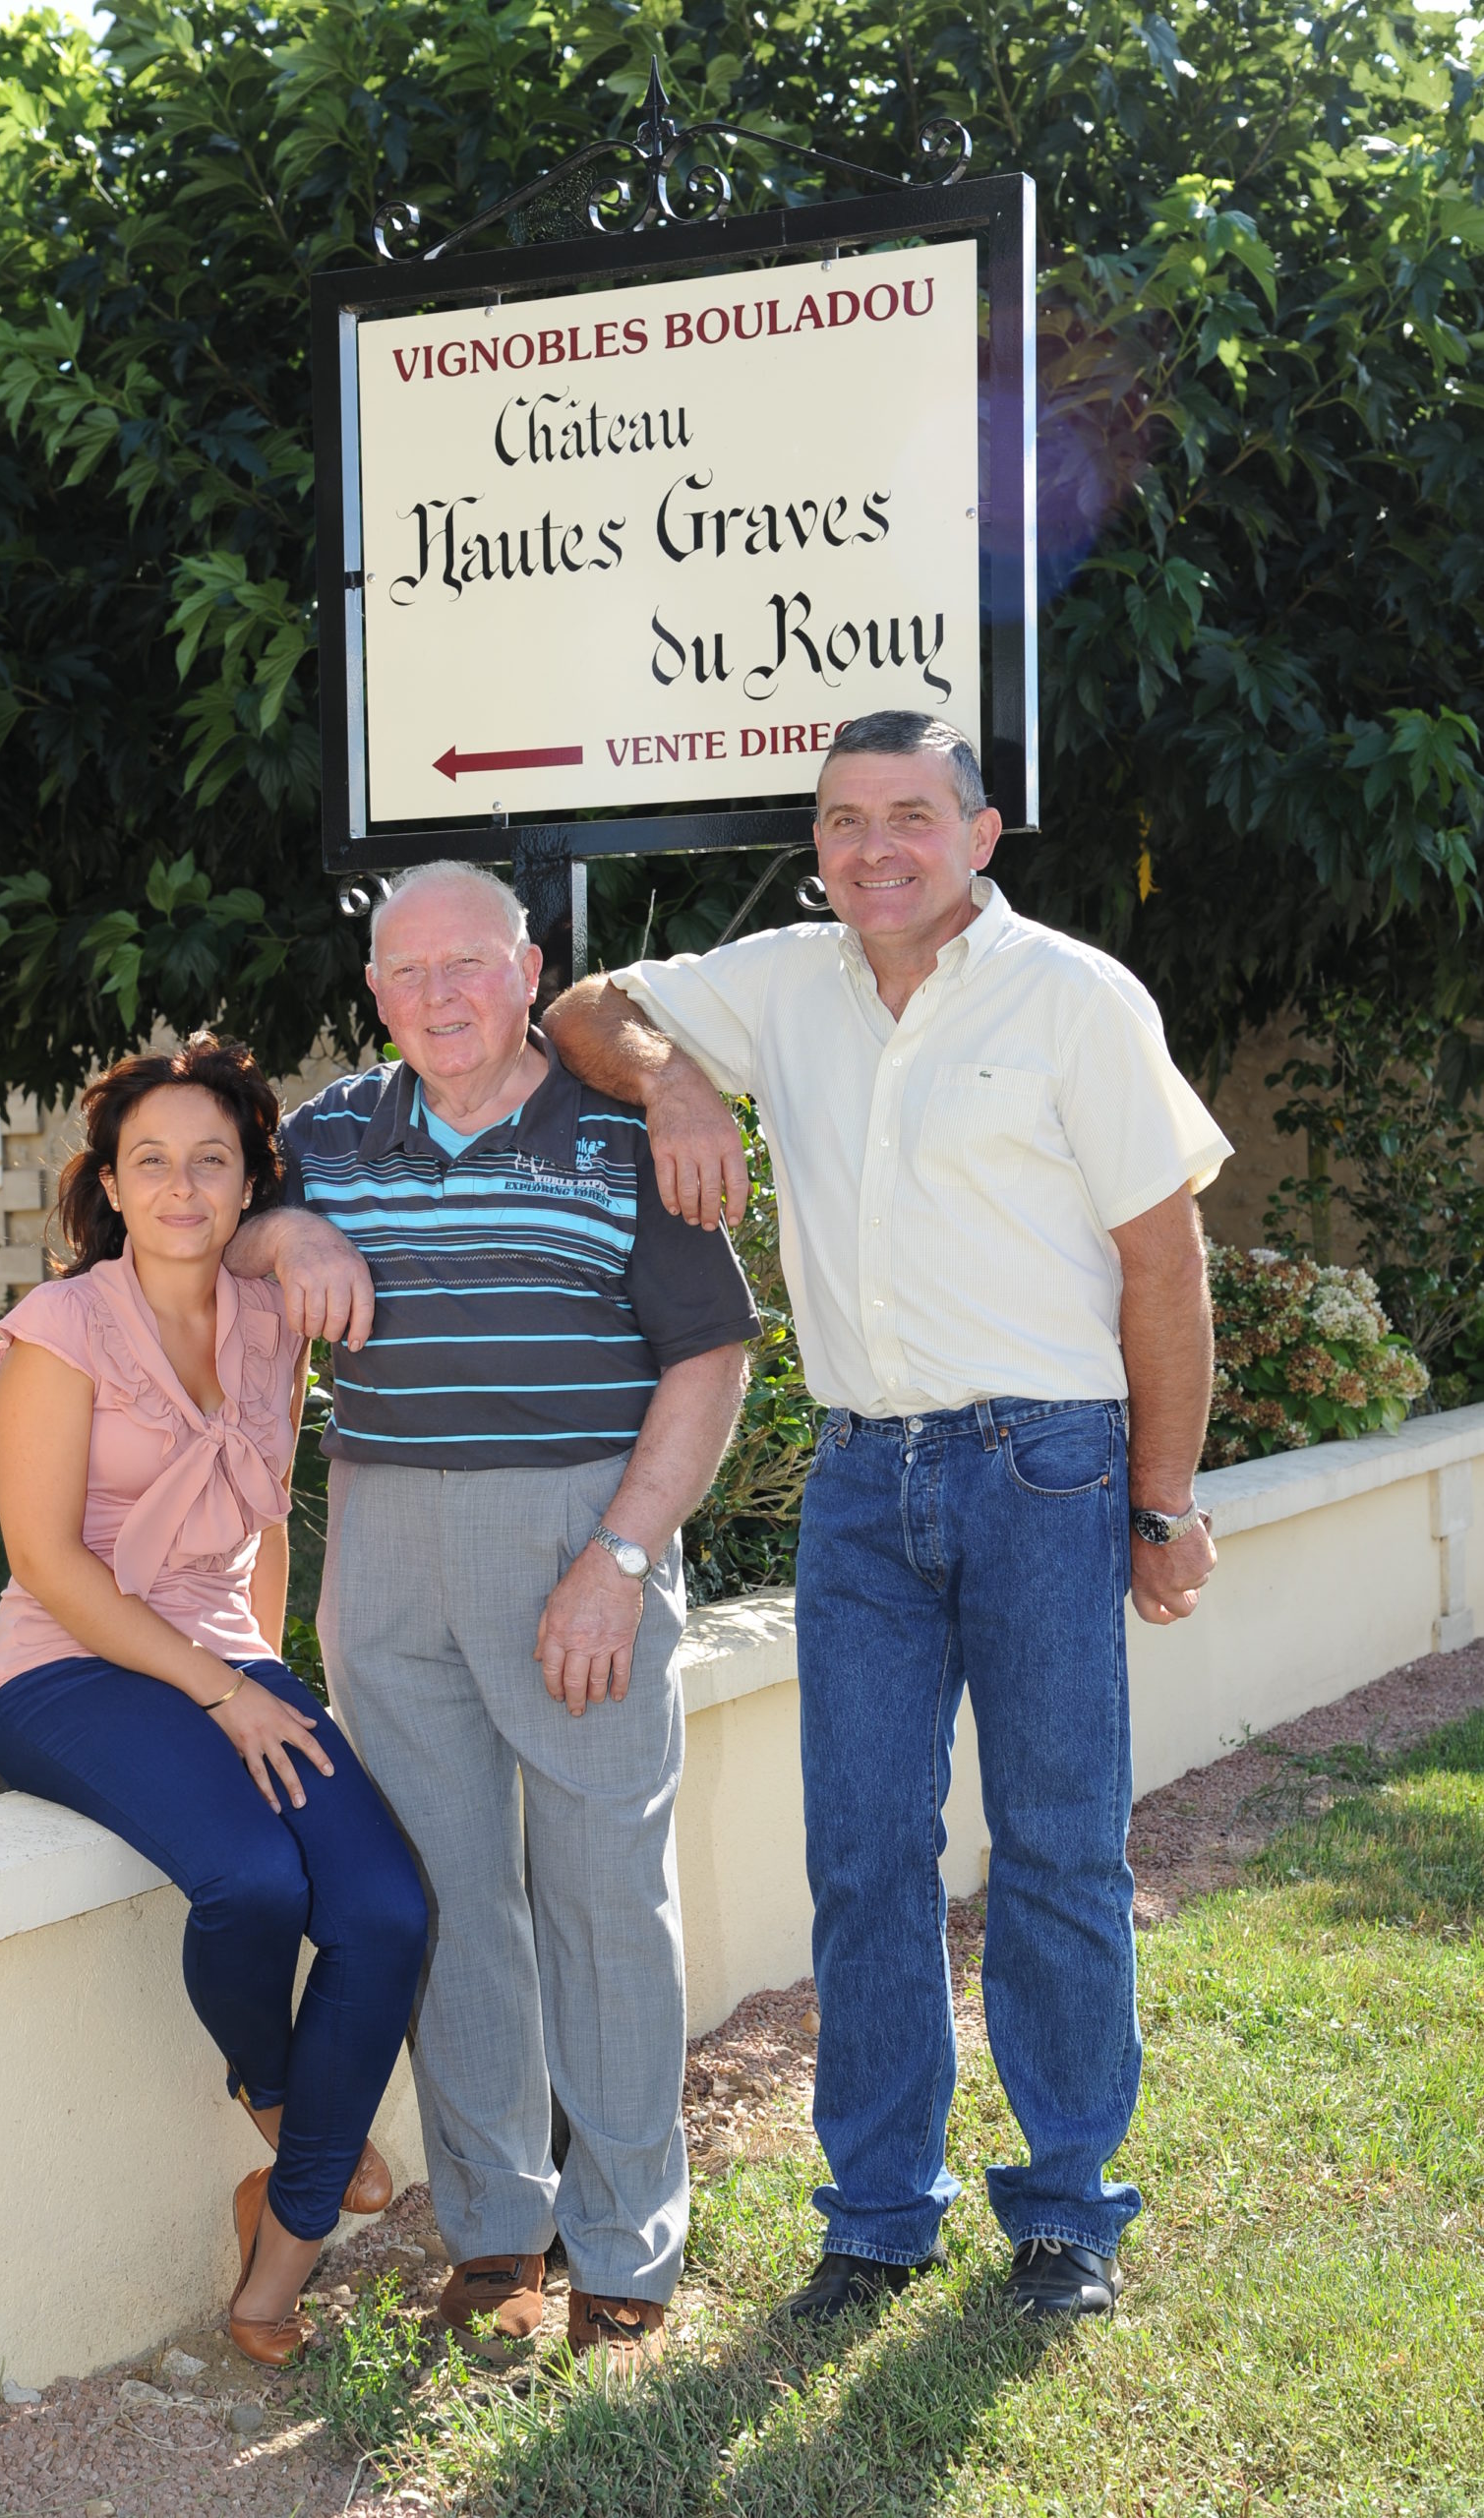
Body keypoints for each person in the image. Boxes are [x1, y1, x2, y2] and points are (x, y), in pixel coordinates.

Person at [540, 710, 1232, 2327]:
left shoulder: (1075, 998)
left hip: (1046, 1468)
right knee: (861, 1858)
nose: (873, 849)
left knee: (1059, 1850)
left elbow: (1162, 1266)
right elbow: (583, 1006)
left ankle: (1066, 2214)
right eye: (844, 820)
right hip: (862, 1481)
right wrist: (680, 1092)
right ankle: (875, 2218)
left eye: (910, 816)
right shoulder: (784, 980)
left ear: (980, 835)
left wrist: (1164, 1500)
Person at [224, 863, 758, 2368]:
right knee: (450, 1897)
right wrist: (291, 1239)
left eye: (469, 965)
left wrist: (624, 1556)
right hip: (385, 1543)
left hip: (579, 1532)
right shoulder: (331, 1135)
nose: (439, 997)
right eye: (406, 974)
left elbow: (708, 1360)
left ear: (529, 971)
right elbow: (218, 1226)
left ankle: (630, 2243)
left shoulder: (620, 1133)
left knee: (601, 1894)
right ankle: (497, 2233)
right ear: (375, 994)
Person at [0, 1033, 428, 2368]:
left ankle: (275, 2253)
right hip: (67, 1668)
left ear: (250, 1189)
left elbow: (267, 1512)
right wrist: (226, 1692)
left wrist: (262, 1662)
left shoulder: (267, 1320)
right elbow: (47, 1562)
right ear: (111, 1184)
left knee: (386, 1908)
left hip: (226, 1655)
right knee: (251, 1880)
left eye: (211, 1161)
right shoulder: (60, 1329)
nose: (182, 1187)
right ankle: (282, 2105)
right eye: (152, 1161)